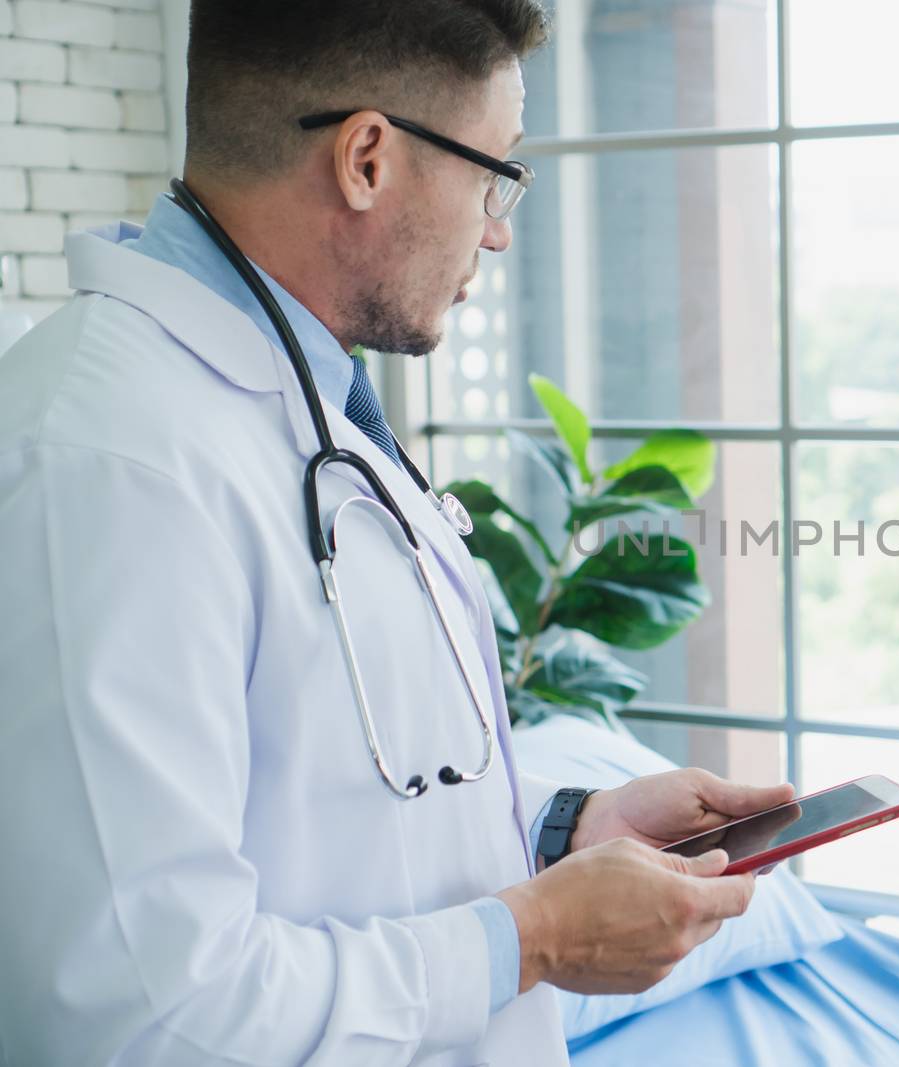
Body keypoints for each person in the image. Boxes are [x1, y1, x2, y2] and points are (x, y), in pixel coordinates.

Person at [0, 2, 794, 1063]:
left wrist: (562, 834)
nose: (500, 227)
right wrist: (536, 934)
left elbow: (327, 807)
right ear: (367, 157)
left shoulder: (306, 401)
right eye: (495, 173)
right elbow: (146, 1012)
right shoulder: (106, 464)